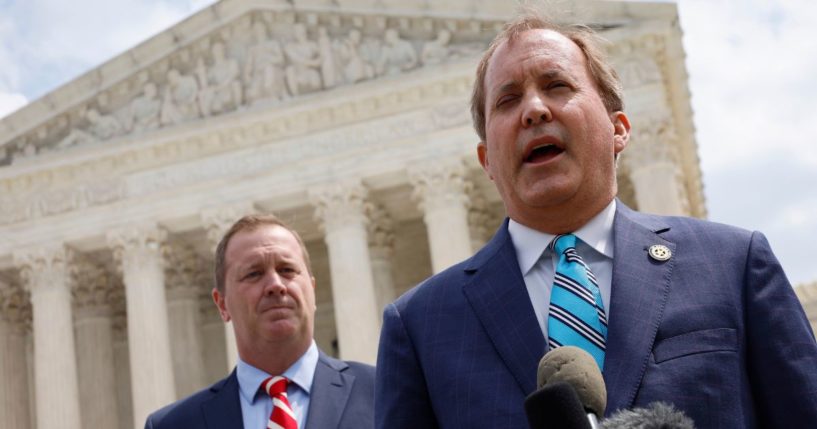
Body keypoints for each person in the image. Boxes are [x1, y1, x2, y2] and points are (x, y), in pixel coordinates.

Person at [375, 10, 817, 429]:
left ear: (619, 127)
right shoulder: (420, 326)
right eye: (508, 100)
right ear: (487, 160)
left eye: (556, 85)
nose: (534, 110)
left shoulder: (732, 266)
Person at [146, 214, 375, 429]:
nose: (276, 284)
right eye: (254, 274)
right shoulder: (174, 425)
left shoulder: (381, 392)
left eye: (287, 269)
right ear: (222, 304)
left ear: (312, 291)